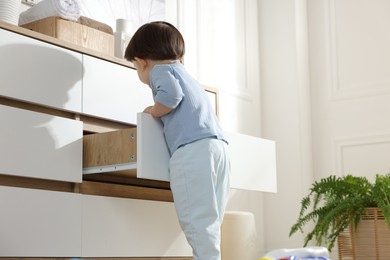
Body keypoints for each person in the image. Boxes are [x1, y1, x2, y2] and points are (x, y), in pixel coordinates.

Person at [124, 21, 231, 260]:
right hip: (218, 148)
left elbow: (171, 96)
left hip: (193, 151)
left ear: (141, 62)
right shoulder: (186, 75)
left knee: (196, 222)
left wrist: (154, 110)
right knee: (210, 220)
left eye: (136, 67)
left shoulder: (160, 72)